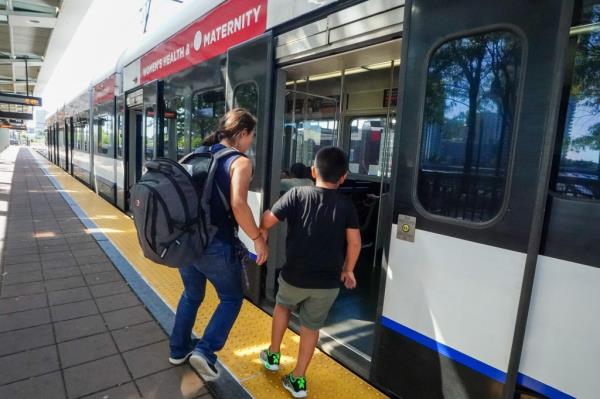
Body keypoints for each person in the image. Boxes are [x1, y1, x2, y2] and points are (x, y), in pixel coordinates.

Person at [169, 108, 268, 381]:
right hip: (216, 246)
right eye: (252, 136)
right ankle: (206, 350)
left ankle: (178, 349)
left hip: (188, 244)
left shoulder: (195, 154)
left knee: (191, 295)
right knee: (232, 297)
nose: (251, 141)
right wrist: (258, 239)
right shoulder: (240, 162)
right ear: (241, 133)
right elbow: (238, 204)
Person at [258, 147, 361, 398]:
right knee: (310, 327)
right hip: (327, 284)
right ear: (343, 177)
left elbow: (270, 219)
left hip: (295, 275)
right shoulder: (347, 205)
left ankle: (273, 355)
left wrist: (262, 229)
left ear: (313, 171)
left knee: (282, 307)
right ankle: (299, 379)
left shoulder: (297, 194)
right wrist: (348, 269)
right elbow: (355, 242)